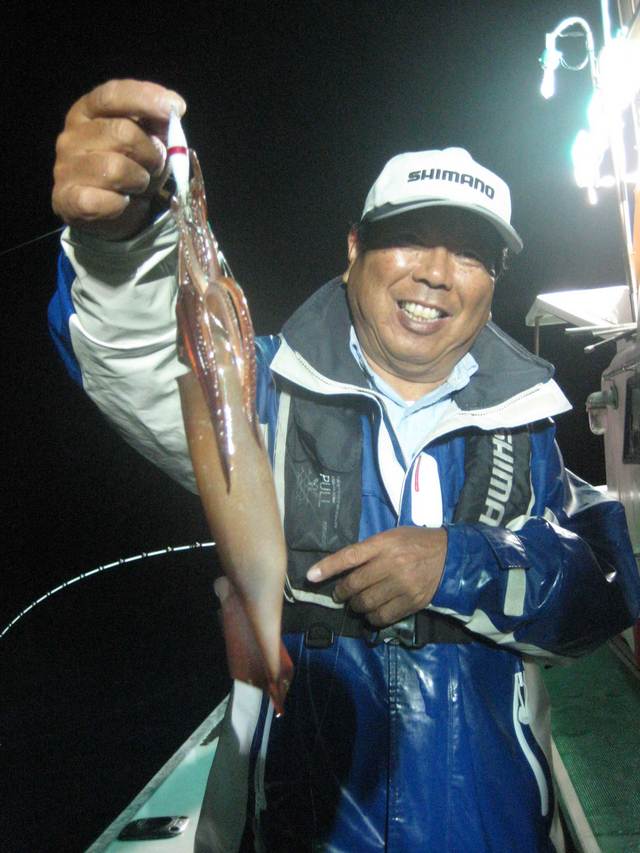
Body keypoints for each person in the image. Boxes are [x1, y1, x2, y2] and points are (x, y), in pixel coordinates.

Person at [50, 80, 640, 853]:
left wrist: (460, 561)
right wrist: (118, 249)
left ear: (494, 281)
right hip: (305, 827)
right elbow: (146, 364)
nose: (437, 272)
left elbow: (600, 585)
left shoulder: (528, 422)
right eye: (410, 237)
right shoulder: (257, 391)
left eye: (471, 251)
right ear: (354, 247)